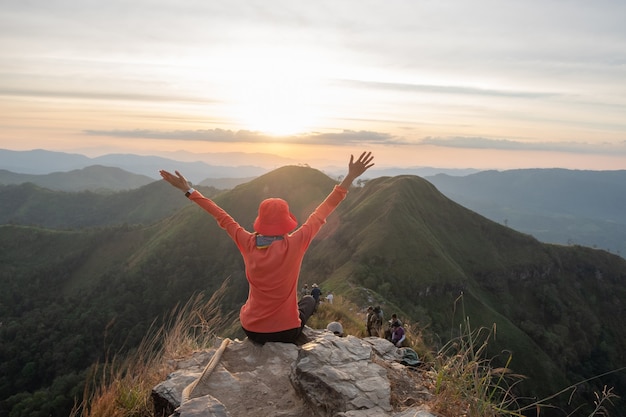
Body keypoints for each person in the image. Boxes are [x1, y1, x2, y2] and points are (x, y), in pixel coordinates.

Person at [159, 152, 374, 345]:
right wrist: (350, 177)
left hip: (251, 330)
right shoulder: (296, 242)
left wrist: (187, 189)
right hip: (286, 332)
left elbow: (220, 215)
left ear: (261, 222)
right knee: (308, 300)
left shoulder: (247, 242)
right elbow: (323, 211)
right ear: (286, 223)